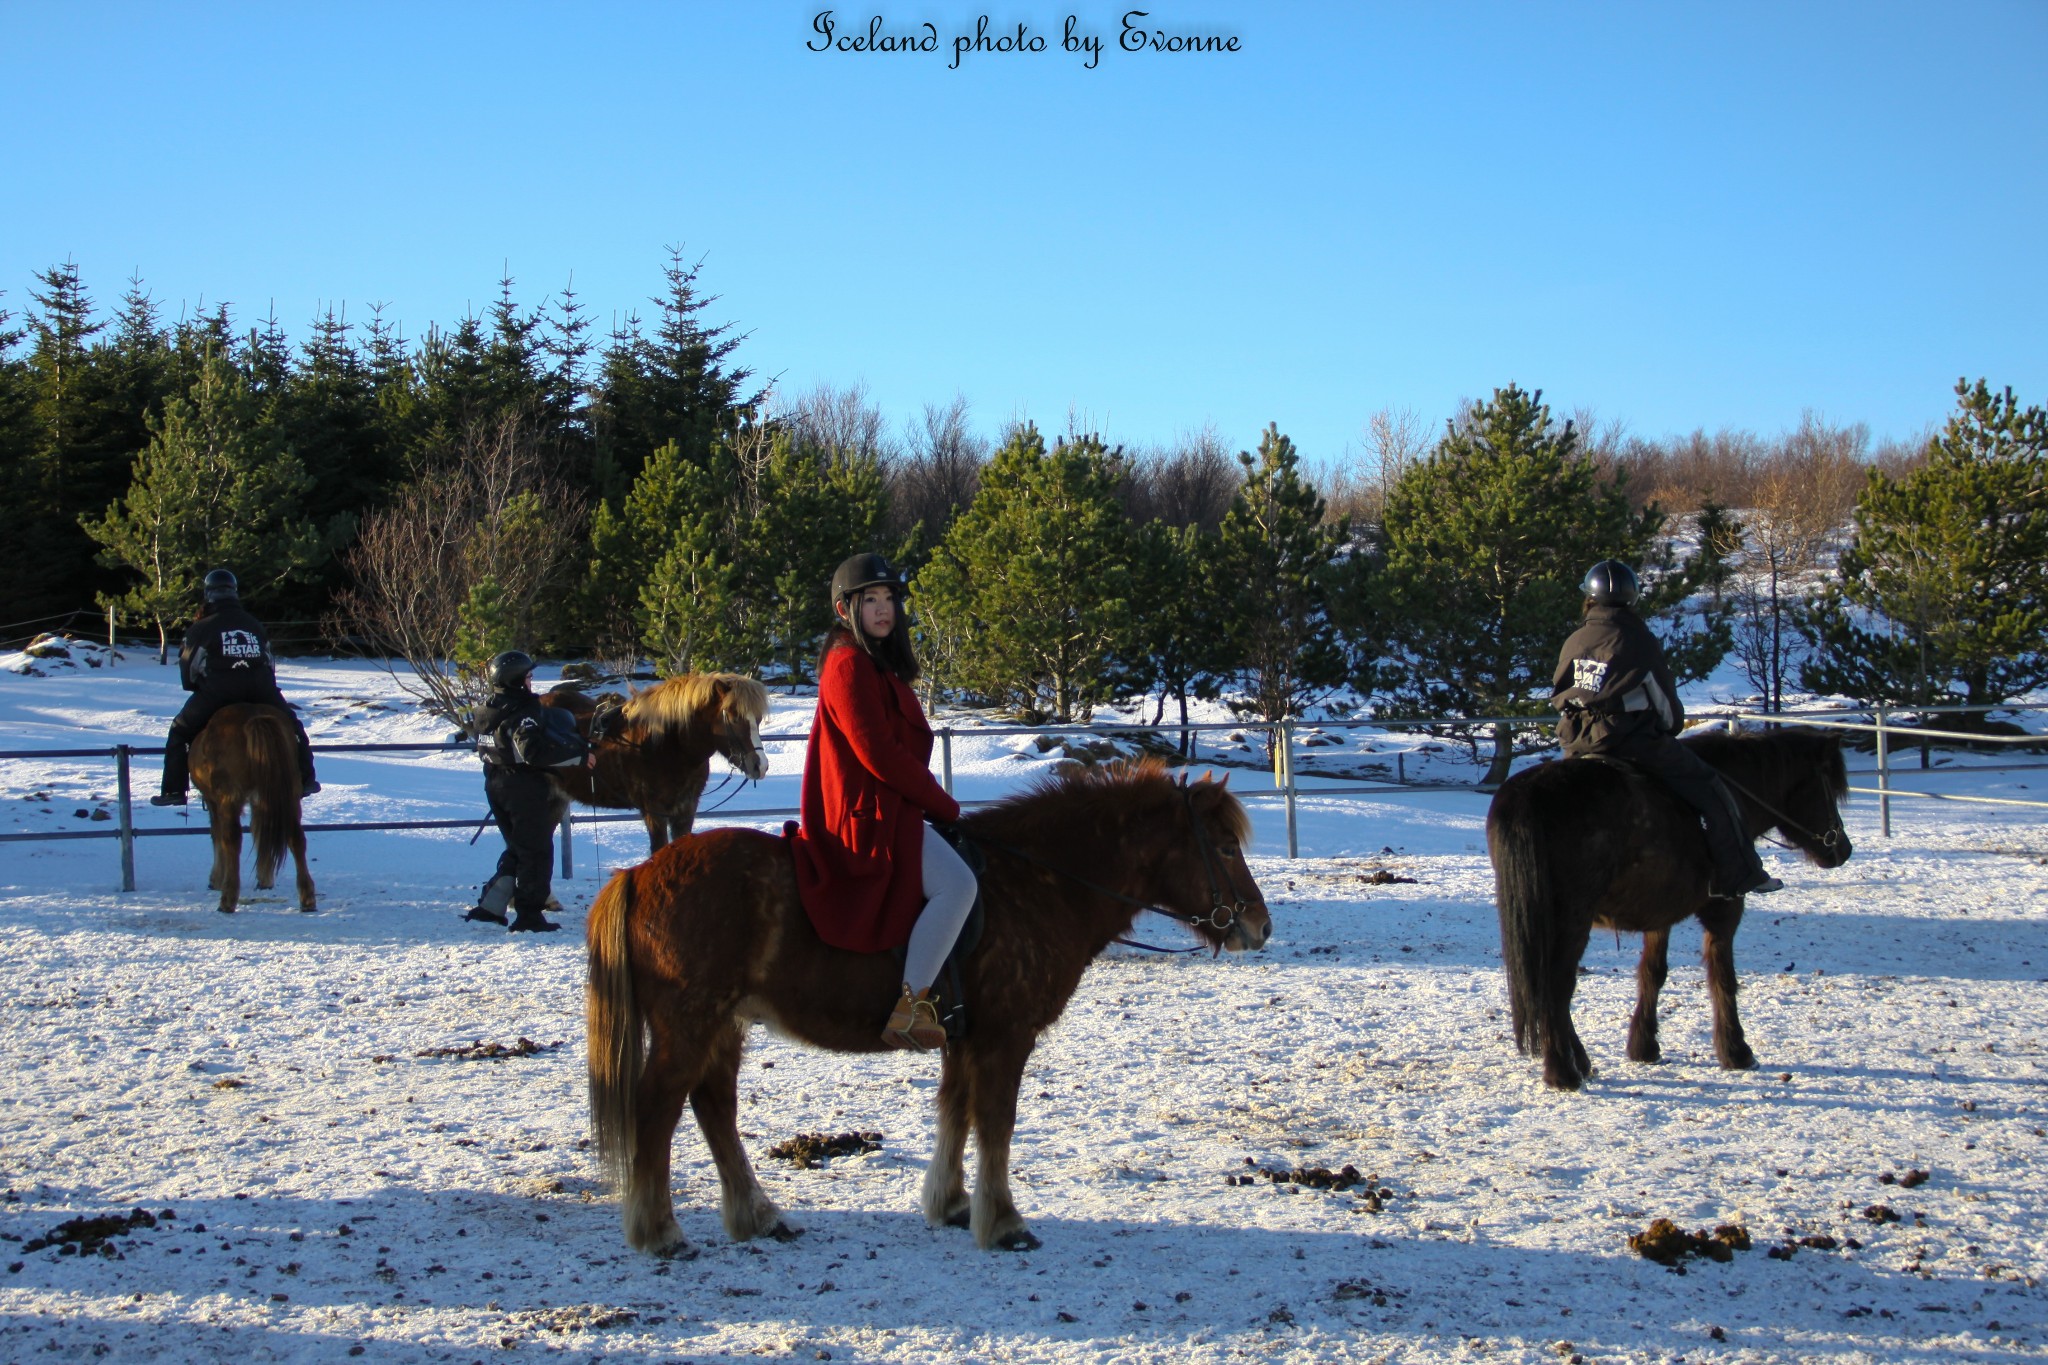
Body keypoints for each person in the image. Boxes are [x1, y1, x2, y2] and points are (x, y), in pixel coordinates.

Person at [788, 552, 976, 1050]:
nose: (883, 608)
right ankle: (911, 1007)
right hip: (864, 818)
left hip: (888, 807)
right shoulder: (848, 664)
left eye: (888, 598)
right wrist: (946, 807)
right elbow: (879, 754)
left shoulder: (876, 666)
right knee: (957, 886)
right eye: (869, 599)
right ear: (843, 609)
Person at [1551, 559, 1782, 899]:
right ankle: (1738, 876)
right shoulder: (1636, 639)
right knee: (1713, 790)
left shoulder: (1575, 639)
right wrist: (1670, 726)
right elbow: (1661, 697)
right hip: (1629, 740)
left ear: (1589, 597)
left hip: (1576, 741)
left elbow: (1559, 692)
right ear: (1632, 599)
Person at [151, 568, 319, 806]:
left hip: (219, 691)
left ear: (208, 594)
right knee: (293, 727)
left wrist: (194, 685)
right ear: (234, 593)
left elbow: (189, 665)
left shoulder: (202, 628)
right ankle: (305, 778)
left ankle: (174, 790)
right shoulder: (253, 624)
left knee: (179, 730)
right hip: (262, 689)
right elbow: (268, 661)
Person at [465, 650, 592, 934]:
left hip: (494, 783)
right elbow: (532, 751)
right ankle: (529, 916)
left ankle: (491, 906)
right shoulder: (525, 709)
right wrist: (579, 755)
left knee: (519, 848)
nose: (532, 681)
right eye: (529, 676)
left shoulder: (484, 708)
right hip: (523, 787)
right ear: (517, 680)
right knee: (536, 852)